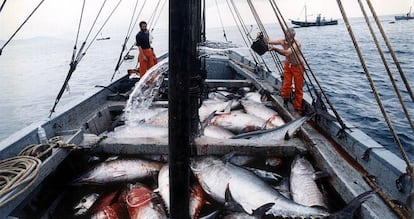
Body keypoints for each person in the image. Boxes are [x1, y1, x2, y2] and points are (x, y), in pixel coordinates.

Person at [267, 27, 305, 112]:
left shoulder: (296, 44)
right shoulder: (282, 41)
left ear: (293, 37)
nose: (288, 39)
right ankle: (285, 101)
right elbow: (269, 41)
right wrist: (261, 37)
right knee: (286, 84)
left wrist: (275, 49)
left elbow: (287, 52)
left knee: (298, 87)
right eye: (286, 37)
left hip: (298, 66)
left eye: (290, 38)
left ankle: (297, 107)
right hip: (288, 65)